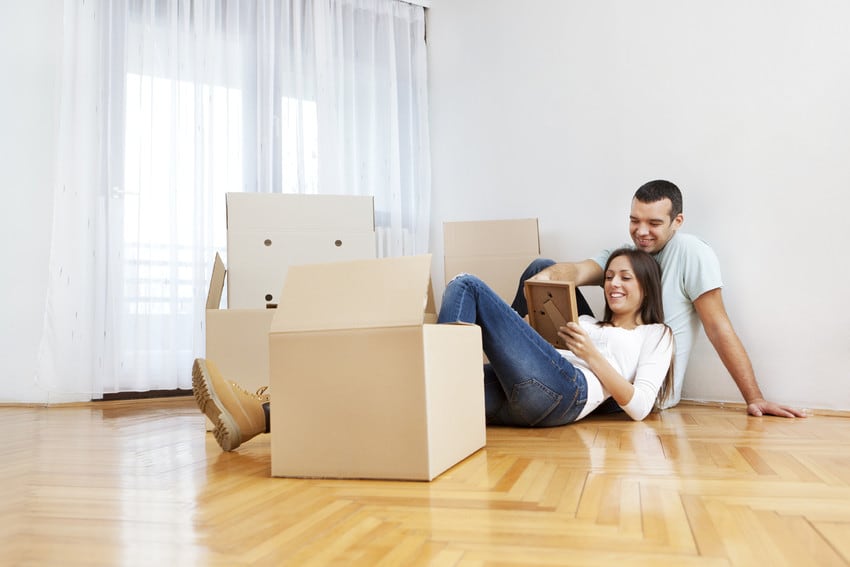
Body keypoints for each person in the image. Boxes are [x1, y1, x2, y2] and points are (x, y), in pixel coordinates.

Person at [192, 247, 674, 451]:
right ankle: (262, 415)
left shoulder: (656, 335)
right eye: (609, 276)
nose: (613, 284)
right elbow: (555, 277)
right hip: (527, 392)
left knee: (465, 284)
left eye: (625, 278)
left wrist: (592, 356)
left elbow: (639, 407)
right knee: (398, 386)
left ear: (646, 288)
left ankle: (451, 364)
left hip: (565, 391)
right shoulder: (586, 319)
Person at [513, 179, 804, 418]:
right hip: (603, 359)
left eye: (653, 223)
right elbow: (577, 271)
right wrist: (547, 280)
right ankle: (508, 364)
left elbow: (718, 327)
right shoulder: (627, 255)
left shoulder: (691, 252)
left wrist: (754, 398)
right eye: (634, 220)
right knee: (541, 268)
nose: (642, 231)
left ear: (677, 221)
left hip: (635, 388)